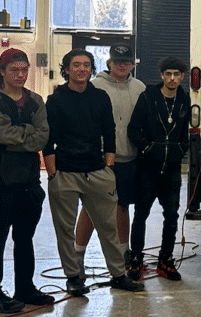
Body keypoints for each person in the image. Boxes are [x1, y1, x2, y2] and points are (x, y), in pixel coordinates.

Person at [44, 49, 143, 296]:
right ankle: (73, 277)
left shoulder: (100, 97)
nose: (81, 69)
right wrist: (53, 173)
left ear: (92, 68)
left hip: (98, 173)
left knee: (108, 228)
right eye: (76, 65)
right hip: (65, 174)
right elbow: (48, 139)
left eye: (86, 65)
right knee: (65, 231)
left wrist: (109, 166)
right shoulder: (55, 100)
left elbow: (109, 133)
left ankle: (118, 275)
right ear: (66, 69)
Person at [0, 48, 54, 313]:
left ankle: (25, 288)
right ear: (2, 72)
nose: (20, 75)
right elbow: (0, 134)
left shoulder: (35, 101)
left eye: (24, 70)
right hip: (1, 183)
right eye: (14, 70)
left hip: (29, 183)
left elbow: (42, 137)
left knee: (25, 238)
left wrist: (19, 137)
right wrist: (27, 135)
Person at [74, 44, 145, 276]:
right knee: (91, 209)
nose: (122, 65)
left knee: (122, 207)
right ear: (109, 63)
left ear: (133, 64)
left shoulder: (140, 88)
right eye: (117, 61)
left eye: (126, 61)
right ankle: (78, 256)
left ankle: (123, 255)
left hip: (129, 159)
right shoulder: (94, 87)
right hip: (99, 159)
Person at [126, 56, 192, 281]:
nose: (172, 78)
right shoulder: (148, 97)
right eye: (168, 74)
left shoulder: (184, 99)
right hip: (148, 169)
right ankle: (136, 259)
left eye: (177, 74)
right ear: (162, 76)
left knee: (172, 216)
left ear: (182, 77)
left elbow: (186, 134)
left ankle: (166, 260)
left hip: (172, 170)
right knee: (141, 215)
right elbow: (133, 130)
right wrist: (148, 149)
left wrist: (179, 151)